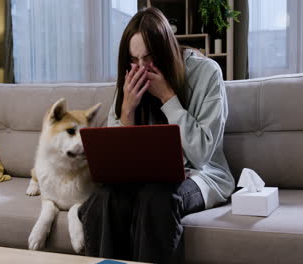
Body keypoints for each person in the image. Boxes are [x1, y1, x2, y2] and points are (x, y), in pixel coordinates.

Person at [78, 7, 235, 264]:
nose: (141, 68)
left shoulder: (207, 74)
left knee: (157, 197)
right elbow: (114, 161)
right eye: (133, 59)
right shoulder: (130, 79)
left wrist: (167, 98)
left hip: (201, 176)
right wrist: (127, 110)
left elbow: (201, 155)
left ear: (166, 51)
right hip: (142, 179)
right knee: (103, 199)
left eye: (149, 58)